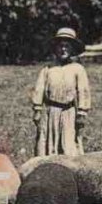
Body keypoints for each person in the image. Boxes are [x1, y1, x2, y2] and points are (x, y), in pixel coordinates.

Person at [31, 27, 91, 157]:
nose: (63, 49)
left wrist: (82, 112)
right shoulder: (48, 69)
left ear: (72, 49)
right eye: (60, 46)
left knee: (68, 143)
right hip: (50, 113)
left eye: (67, 46)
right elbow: (39, 89)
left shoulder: (77, 69)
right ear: (55, 48)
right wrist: (37, 109)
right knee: (46, 140)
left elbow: (83, 91)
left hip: (69, 112)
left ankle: (70, 170)